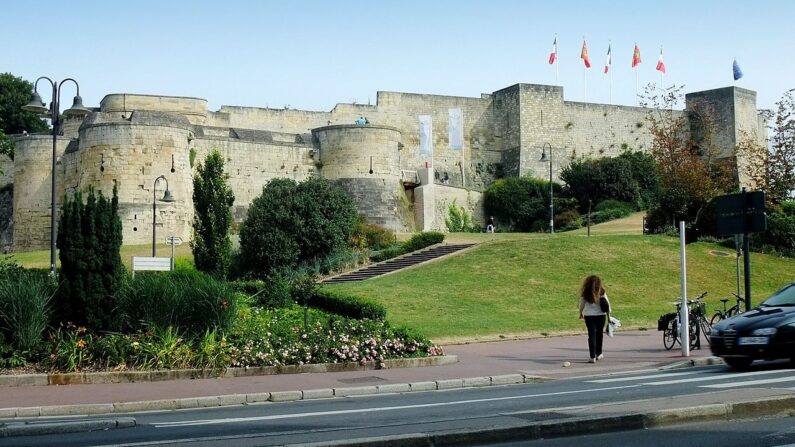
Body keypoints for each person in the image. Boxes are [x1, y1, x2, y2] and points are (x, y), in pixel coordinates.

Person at [578, 274, 610, 363]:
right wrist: (609, 316)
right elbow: (607, 304)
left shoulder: (585, 292)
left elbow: (581, 303)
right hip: (601, 315)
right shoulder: (602, 291)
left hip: (589, 316)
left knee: (591, 335)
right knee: (599, 334)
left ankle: (592, 356)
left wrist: (580, 312)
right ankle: (599, 353)